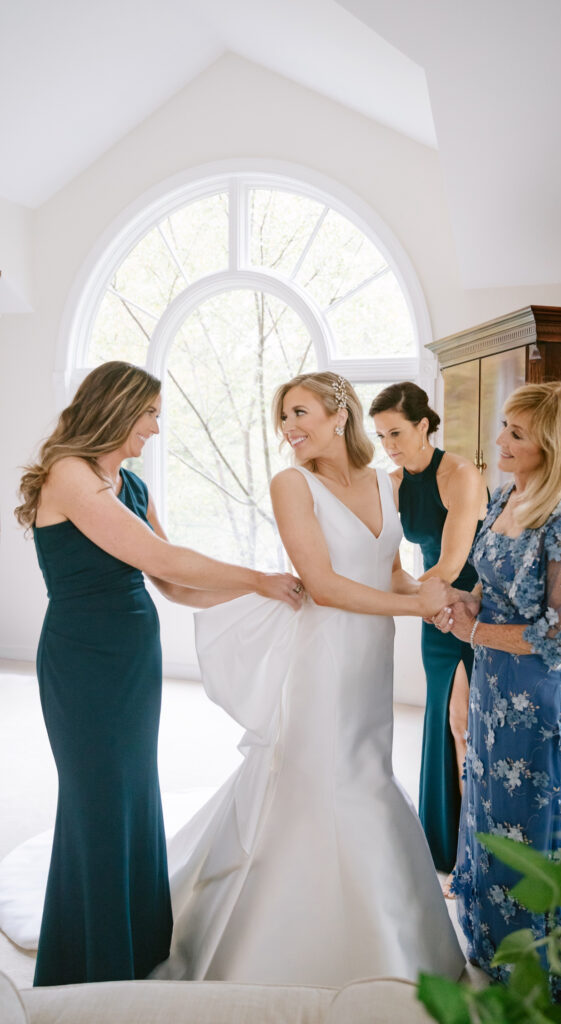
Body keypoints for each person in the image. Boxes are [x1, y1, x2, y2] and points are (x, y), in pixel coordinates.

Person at [150, 371, 464, 986]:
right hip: (322, 657)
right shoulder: (292, 485)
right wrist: (417, 607)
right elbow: (321, 585)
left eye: (299, 414)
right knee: (321, 774)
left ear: (338, 414)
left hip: (369, 657)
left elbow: (387, 575)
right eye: (282, 420)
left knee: (367, 770)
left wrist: (442, 595)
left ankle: (392, 937)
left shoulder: (385, 483)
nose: (288, 429)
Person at [13, 361, 303, 987]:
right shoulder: (70, 474)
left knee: (133, 791)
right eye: (149, 413)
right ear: (117, 409)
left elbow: (173, 583)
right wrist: (255, 576)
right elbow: (157, 554)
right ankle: (90, 957)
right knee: (98, 799)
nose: (156, 427)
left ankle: (137, 941)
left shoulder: (132, 485)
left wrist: (261, 594)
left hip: (133, 657)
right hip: (83, 659)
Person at [436, 381, 561, 1011]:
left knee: (536, 822)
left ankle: (546, 970)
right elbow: (493, 586)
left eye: (517, 432)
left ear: (554, 444)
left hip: (539, 700)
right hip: (491, 689)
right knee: (488, 805)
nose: (500, 441)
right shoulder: (508, 494)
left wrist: (474, 628)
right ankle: (492, 946)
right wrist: (466, 603)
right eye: (503, 426)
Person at [370, 382, 488, 872]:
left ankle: (475, 854)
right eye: (380, 436)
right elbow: (390, 565)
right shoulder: (393, 484)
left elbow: (457, 559)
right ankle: (445, 846)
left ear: (424, 425)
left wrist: (429, 602)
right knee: (445, 718)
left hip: (476, 604)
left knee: (465, 723)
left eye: (396, 432)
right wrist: (415, 602)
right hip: (434, 610)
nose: (389, 444)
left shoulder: (460, 473)